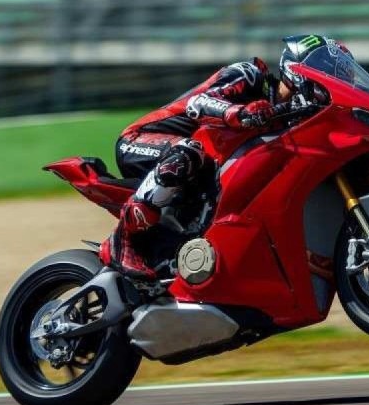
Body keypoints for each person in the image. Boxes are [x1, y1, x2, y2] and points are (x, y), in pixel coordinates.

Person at [101, 35, 330, 279]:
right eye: (323, 71)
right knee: (189, 152)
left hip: (201, 172)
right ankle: (121, 241)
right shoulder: (250, 75)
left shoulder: (290, 120)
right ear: (298, 69)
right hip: (142, 140)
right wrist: (238, 112)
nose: (326, 80)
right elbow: (198, 103)